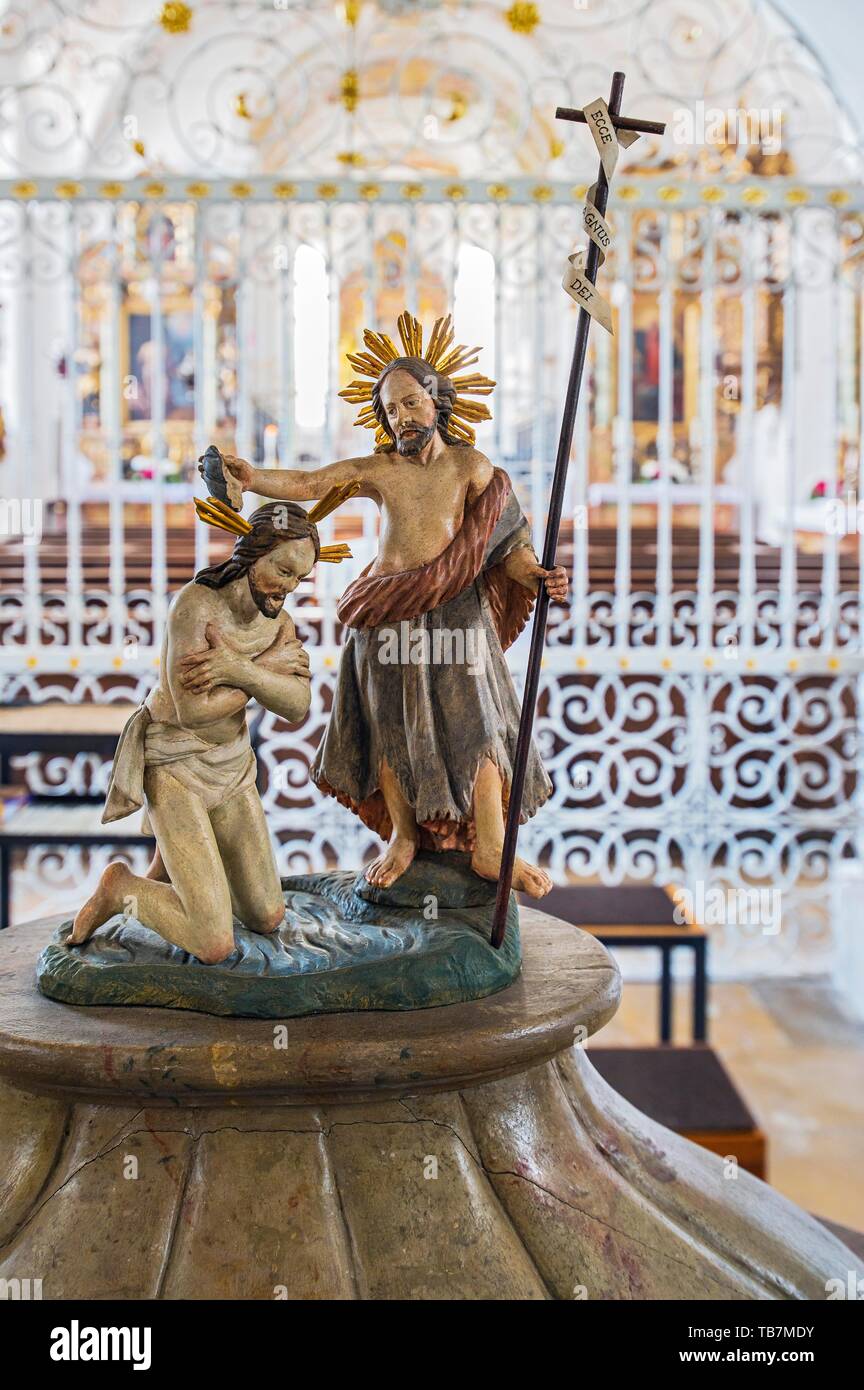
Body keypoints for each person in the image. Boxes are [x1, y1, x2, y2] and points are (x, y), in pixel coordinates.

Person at [207, 313, 568, 898]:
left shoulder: (472, 468)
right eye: (390, 409)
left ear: (435, 400)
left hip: (457, 611)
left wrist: (538, 576)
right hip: (386, 612)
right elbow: (310, 482)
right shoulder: (381, 469)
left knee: (477, 720)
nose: (401, 416)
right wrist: (251, 480)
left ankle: (491, 845)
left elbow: (510, 545)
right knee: (386, 723)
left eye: (410, 402)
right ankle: (402, 835)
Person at [70, 503, 316, 963]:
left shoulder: (278, 623)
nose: (288, 587)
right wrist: (263, 673)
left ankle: (171, 872)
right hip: (175, 764)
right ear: (250, 555)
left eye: (299, 579)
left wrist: (237, 668)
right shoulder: (196, 606)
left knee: (266, 914)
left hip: (232, 768)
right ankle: (120, 888)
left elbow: (297, 706)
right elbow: (192, 712)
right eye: (283, 570)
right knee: (213, 942)